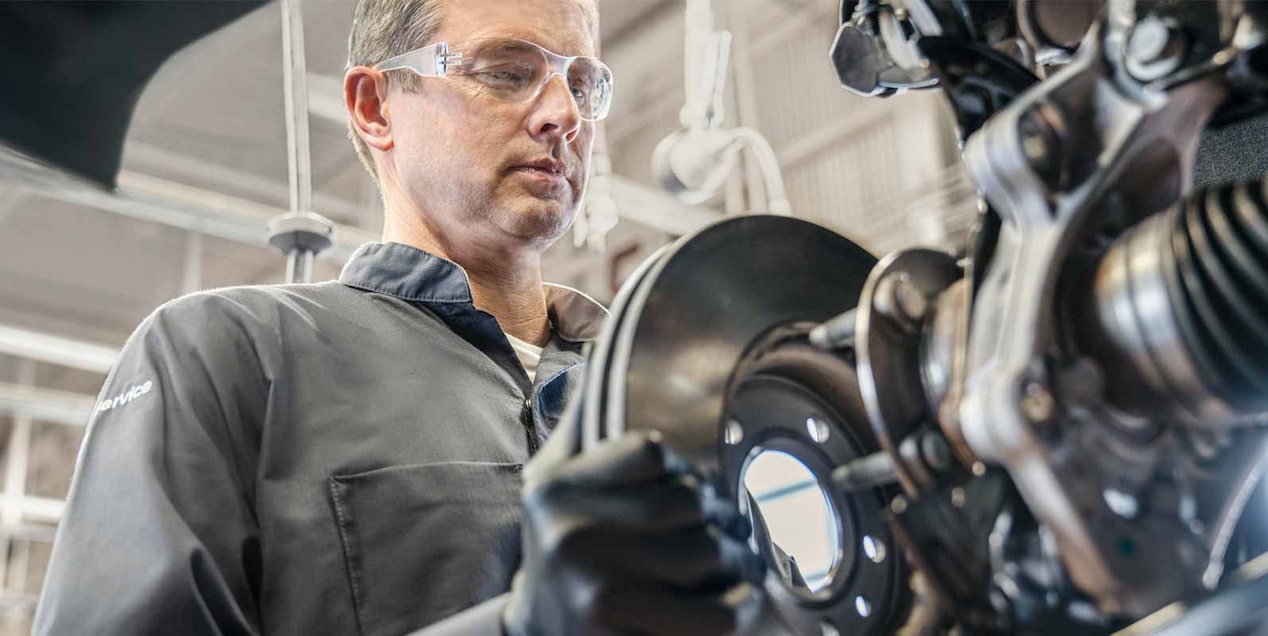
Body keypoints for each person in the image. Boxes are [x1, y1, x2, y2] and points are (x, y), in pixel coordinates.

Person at [33, 0, 764, 634]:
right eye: (506, 71)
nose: (563, 115)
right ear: (375, 107)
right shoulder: (224, 358)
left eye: (582, 83)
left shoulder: (659, 385)